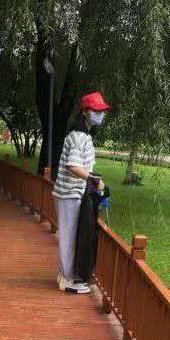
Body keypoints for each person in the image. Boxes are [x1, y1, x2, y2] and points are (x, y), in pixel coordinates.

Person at [50, 91, 110, 294]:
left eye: (102, 111)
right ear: (85, 112)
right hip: (69, 194)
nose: (100, 114)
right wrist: (97, 182)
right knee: (69, 238)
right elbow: (73, 166)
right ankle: (68, 280)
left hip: (70, 193)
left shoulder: (81, 135)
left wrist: (94, 183)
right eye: (96, 110)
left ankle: (64, 275)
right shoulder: (79, 136)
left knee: (69, 236)